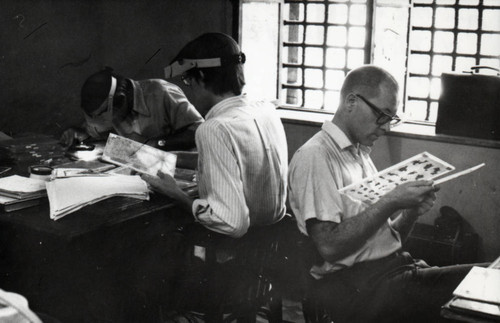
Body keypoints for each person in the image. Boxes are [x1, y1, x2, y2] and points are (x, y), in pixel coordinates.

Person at [288, 65, 476, 323]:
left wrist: (410, 211)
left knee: (485, 283)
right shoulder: (316, 156)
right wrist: (391, 201)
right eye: (382, 115)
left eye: (391, 118)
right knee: (483, 285)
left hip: (393, 274)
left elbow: (388, 241)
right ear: (351, 101)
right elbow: (329, 245)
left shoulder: (358, 155)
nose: (386, 127)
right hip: (360, 291)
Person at [140, 33, 288, 317]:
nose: (189, 91)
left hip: (234, 260)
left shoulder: (214, 128)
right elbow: (242, 158)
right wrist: (169, 159)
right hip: (266, 249)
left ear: (200, 79)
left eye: (188, 82)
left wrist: (177, 194)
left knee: (154, 250)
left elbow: (231, 222)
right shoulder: (264, 110)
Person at [60, 67, 204, 151]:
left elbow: (200, 133)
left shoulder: (161, 93)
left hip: (180, 171)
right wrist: (78, 134)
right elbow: (94, 132)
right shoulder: (103, 108)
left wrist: (154, 143)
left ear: (122, 100)